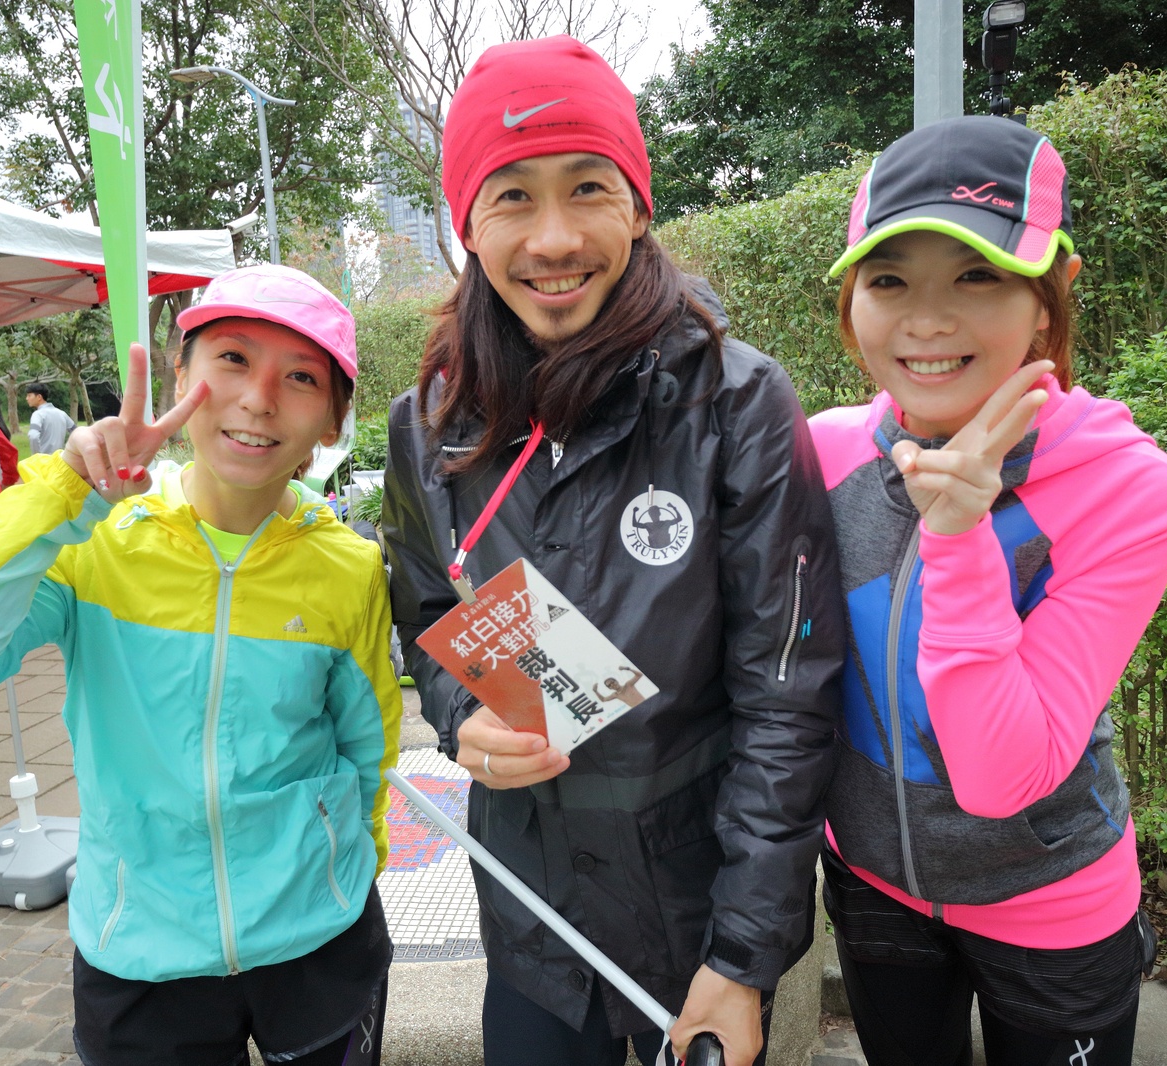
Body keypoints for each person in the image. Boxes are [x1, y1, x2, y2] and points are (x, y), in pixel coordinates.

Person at [382, 36, 844, 1066]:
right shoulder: (430, 423)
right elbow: (426, 610)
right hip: (531, 899)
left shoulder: (735, 402)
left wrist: (744, 955)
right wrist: (461, 719)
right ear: (467, 225)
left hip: (697, 902)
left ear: (637, 206)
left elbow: (788, 695)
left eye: (587, 187)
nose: (553, 238)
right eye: (512, 196)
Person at [0, 264, 404, 1066]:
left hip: (322, 936)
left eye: (301, 377)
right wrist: (58, 498)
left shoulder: (347, 564)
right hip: (139, 947)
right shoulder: (94, 541)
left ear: (332, 421)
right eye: (232, 359)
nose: (259, 398)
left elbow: (367, 739)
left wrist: (350, 871)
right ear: (178, 378)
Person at [808, 116, 1167, 1066]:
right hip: (870, 881)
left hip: (1052, 905)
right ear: (852, 303)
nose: (927, 320)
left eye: (977, 276)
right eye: (888, 281)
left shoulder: (1130, 490)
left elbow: (997, 780)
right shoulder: (819, 451)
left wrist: (958, 535)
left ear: (1049, 298)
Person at [25, 382, 75, 455]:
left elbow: (33, 436)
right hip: (60, 458)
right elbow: (76, 432)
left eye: (29, 395)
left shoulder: (38, 414)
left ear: (39, 397)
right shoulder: (62, 414)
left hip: (44, 459)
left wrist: (36, 456)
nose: (27, 398)